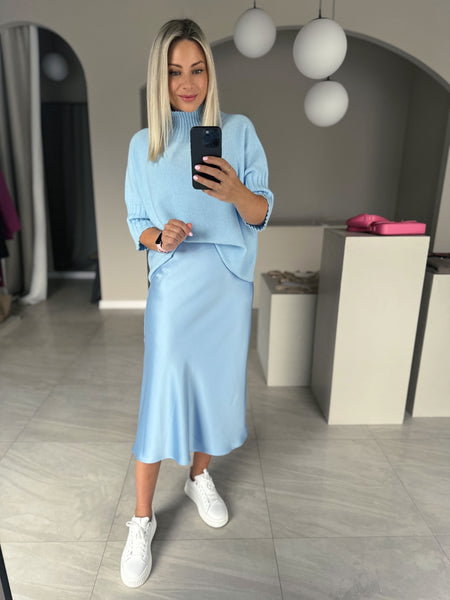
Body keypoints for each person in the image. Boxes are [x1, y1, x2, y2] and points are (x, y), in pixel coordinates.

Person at [121, 18, 274, 588]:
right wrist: (161, 237)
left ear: (210, 73)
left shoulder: (239, 130)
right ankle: (142, 520)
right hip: (175, 283)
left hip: (227, 283)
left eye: (197, 69)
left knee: (214, 389)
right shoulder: (144, 144)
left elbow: (261, 212)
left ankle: (197, 478)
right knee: (159, 397)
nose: (187, 83)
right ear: (159, 79)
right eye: (173, 72)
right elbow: (137, 222)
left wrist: (235, 192)